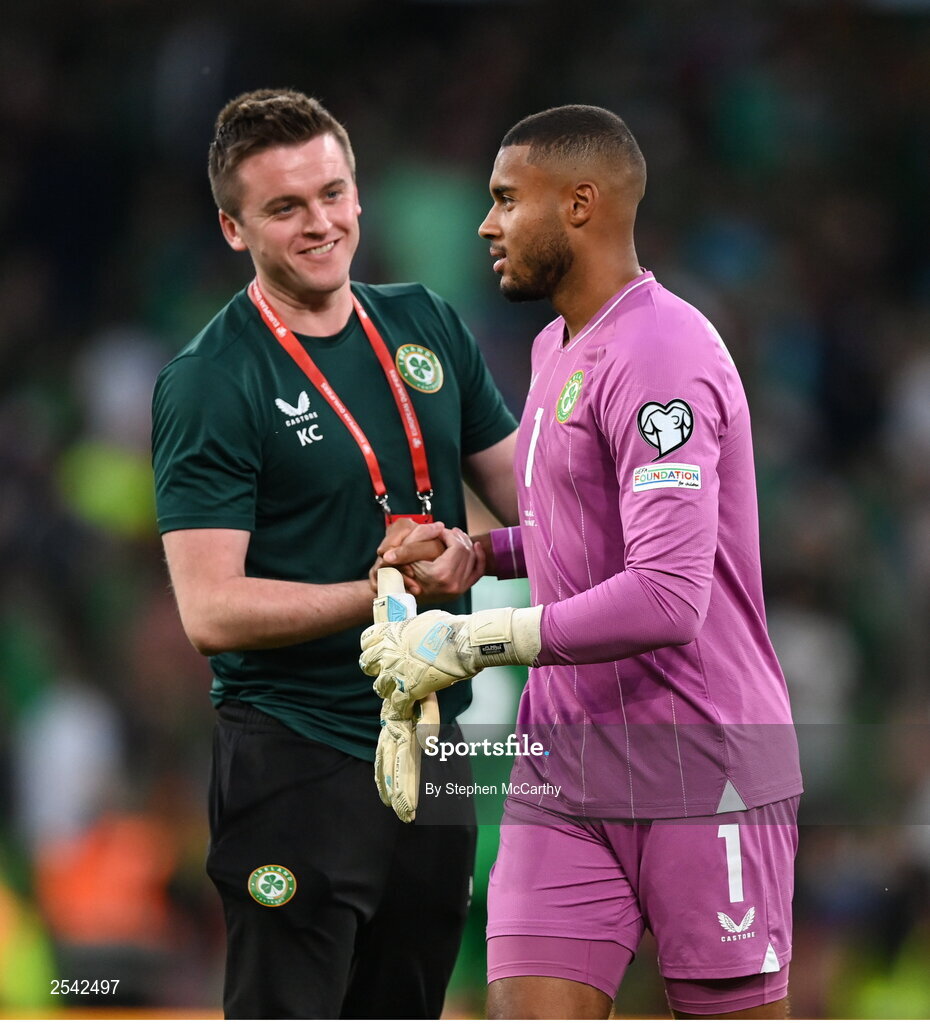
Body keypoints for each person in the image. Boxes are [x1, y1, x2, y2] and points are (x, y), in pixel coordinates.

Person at [361, 105, 803, 1020]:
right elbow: (580, 531)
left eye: (505, 200)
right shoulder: (555, 345)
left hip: (700, 760)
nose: (486, 224)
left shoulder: (661, 353)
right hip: (562, 766)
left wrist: (475, 641)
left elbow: (667, 595)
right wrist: (477, 555)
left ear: (580, 205)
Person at [150, 88, 518, 1019]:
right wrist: (381, 592)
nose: (321, 223)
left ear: (359, 193)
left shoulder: (427, 323)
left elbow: (541, 511)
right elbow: (211, 611)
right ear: (234, 229)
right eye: (285, 207)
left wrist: (475, 554)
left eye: (333, 193)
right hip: (297, 758)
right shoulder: (211, 381)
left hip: (434, 754)